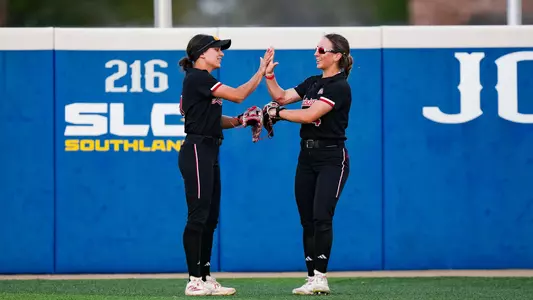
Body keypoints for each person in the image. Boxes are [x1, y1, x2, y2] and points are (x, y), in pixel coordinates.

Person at [177, 33, 272, 296]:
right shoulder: (198, 78)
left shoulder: (203, 82)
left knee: (209, 218)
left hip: (209, 149)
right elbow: (240, 95)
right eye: (216, 49)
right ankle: (193, 280)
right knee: (198, 216)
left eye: (221, 49)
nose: (221, 53)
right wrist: (261, 72)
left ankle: (205, 277)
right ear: (200, 54)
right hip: (196, 149)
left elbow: (215, 119)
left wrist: (242, 120)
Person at [262, 33, 353, 295]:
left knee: (322, 216)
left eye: (322, 49)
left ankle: (321, 278)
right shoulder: (313, 82)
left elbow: (311, 114)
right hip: (307, 157)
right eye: (316, 48)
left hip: (331, 158)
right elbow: (281, 97)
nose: (316, 53)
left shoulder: (339, 86)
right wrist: (269, 76)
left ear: (336, 55)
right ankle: (311, 276)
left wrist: (276, 114)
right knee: (307, 220)